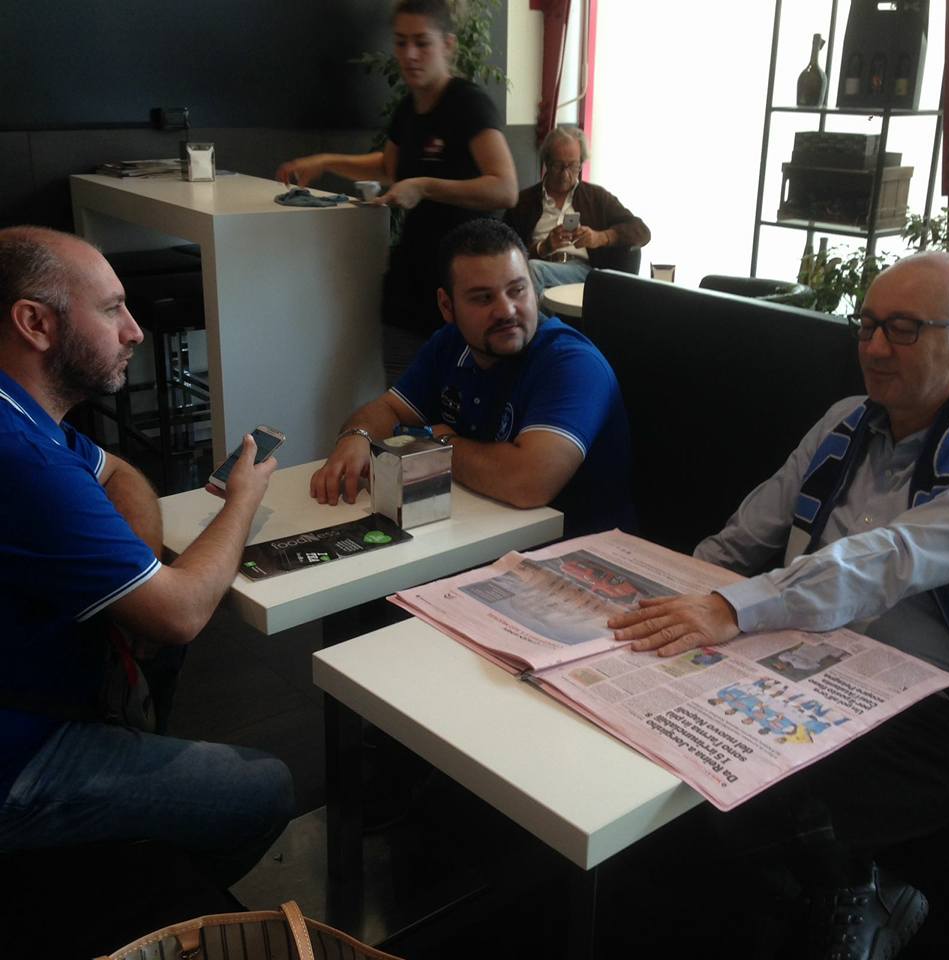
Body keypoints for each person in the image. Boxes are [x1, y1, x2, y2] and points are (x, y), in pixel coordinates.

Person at [609, 251, 949, 959]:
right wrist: (672, 598)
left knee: (767, 808)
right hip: (803, 656)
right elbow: (746, 538)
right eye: (867, 325)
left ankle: (864, 889)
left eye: (903, 329)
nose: (875, 348)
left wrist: (732, 608)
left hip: (928, 697)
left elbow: (885, 558)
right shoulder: (842, 422)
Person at [0, 226, 295, 887]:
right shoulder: (21, 456)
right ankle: (139, 901)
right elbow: (181, 611)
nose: (134, 331)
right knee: (265, 788)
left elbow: (118, 472)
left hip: (38, 693)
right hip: (17, 757)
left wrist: (130, 569)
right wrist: (242, 500)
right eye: (111, 310)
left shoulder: (23, 412)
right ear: (35, 323)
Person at [310, 218, 635, 538]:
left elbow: (527, 483)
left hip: (578, 552)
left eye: (517, 290)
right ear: (447, 306)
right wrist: (357, 436)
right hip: (479, 536)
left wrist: (441, 443)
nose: (506, 310)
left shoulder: (573, 363)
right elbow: (390, 410)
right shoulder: (450, 343)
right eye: (483, 298)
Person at [276, 0, 518, 363]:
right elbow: (389, 167)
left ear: (448, 45)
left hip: (462, 290)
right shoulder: (408, 109)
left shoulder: (468, 104)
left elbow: (505, 188)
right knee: (402, 390)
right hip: (411, 287)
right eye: (401, 42)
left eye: (422, 42)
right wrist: (325, 162)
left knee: (456, 395)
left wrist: (424, 186)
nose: (410, 54)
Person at [504, 126, 650, 293]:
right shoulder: (524, 202)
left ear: (581, 164)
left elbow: (642, 231)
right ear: (547, 162)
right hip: (538, 272)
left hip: (582, 274)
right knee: (535, 278)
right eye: (558, 166)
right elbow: (505, 251)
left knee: (533, 271)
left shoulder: (596, 198)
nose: (565, 175)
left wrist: (600, 237)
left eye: (573, 166)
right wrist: (543, 247)